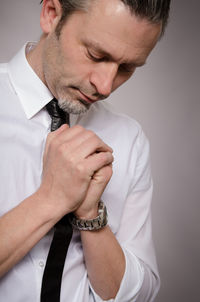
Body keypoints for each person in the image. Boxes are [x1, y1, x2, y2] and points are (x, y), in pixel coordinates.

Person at [0, 0, 171, 301]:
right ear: (51, 15)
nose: (105, 86)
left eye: (127, 68)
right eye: (96, 54)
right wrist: (52, 198)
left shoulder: (129, 138)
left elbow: (140, 294)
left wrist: (91, 215)